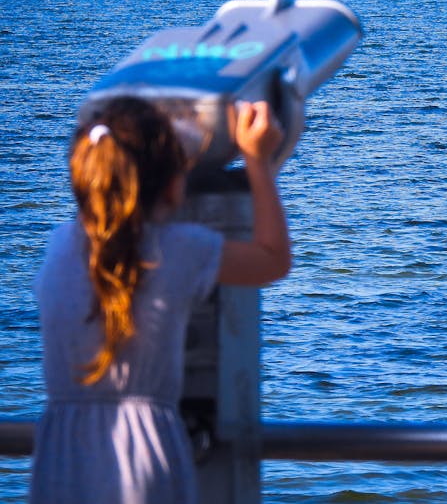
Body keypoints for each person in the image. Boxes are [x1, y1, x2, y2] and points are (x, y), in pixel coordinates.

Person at [31, 96, 291, 503]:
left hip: (61, 457)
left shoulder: (60, 245)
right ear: (173, 183)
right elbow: (273, 261)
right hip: (144, 457)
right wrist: (258, 161)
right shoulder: (178, 249)